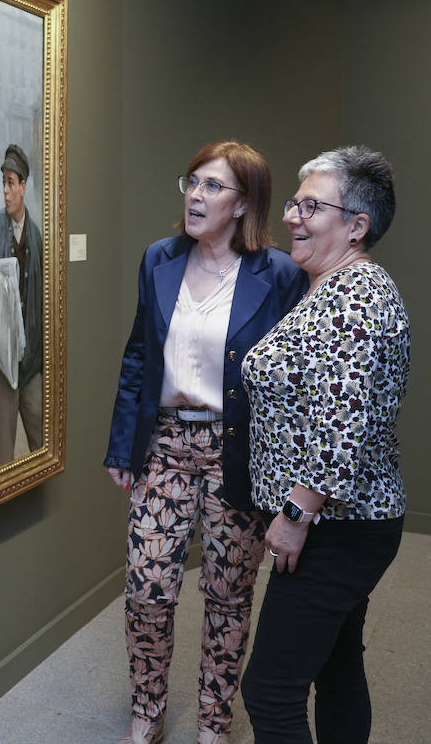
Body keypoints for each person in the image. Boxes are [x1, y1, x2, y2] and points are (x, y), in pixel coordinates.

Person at [104, 141, 306, 744]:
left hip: (235, 452)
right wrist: (122, 446)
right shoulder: (158, 259)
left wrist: (289, 475)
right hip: (164, 444)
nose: (195, 195)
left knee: (227, 594)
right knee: (147, 588)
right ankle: (148, 709)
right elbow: (139, 354)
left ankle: (215, 721)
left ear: (243, 203)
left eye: (212, 186)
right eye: (191, 182)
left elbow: (292, 383)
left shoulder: (280, 275)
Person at [240, 146, 410, 743]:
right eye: (294, 202)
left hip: (333, 527)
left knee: (269, 691)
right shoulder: (329, 287)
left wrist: (294, 514)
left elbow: (342, 424)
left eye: (311, 206)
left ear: (356, 226)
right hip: (340, 524)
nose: (292, 216)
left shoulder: (357, 297)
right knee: (336, 667)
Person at [0, 144, 45, 468]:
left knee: (43, 445)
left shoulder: (36, 236)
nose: (6, 191)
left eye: (11, 183)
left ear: (23, 186)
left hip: (31, 364)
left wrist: (41, 357)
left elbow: (44, 302)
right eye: (3, 183)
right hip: (2, 362)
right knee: (1, 458)